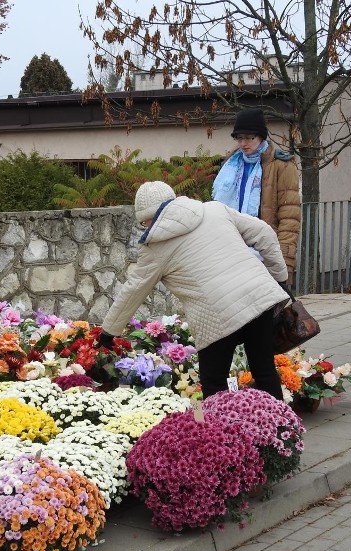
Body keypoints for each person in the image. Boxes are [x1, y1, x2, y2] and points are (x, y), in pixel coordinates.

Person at [98, 180, 290, 399]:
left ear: (148, 217)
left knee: (214, 382)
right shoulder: (215, 209)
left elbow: (134, 290)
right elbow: (265, 233)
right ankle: (280, 428)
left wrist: (108, 331)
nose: (146, 227)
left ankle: (221, 432)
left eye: (145, 222)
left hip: (217, 316)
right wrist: (279, 278)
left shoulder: (156, 247)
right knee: (264, 371)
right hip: (259, 297)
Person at [212, 108, 301, 283]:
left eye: (249, 138)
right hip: (231, 251)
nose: (243, 143)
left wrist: (284, 259)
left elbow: (290, 217)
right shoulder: (231, 165)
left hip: (265, 252)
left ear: (261, 137)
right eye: (239, 138)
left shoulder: (282, 166)